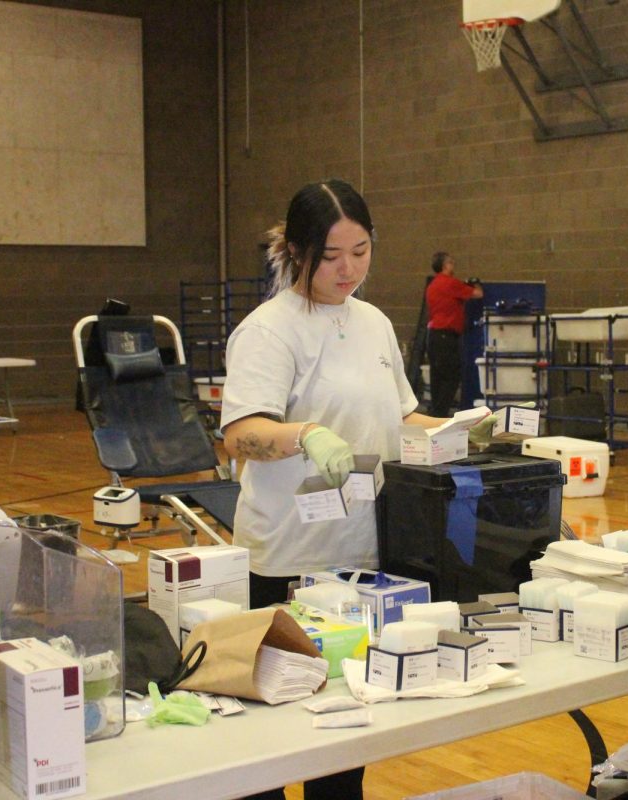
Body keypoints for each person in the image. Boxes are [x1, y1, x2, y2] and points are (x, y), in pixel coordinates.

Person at [219, 180, 463, 800]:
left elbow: (402, 417)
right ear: (299, 253)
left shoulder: (375, 324)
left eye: (361, 249)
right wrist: (305, 436)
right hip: (287, 561)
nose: (349, 268)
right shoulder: (270, 331)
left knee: (344, 741)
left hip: (360, 559)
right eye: (332, 256)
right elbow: (240, 433)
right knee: (275, 743)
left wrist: (472, 429)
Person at [425, 251, 482, 417]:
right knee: (451, 378)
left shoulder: (432, 286)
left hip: (433, 336)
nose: (453, 265)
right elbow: (478, 294)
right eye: (450, 262)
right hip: (446, 337)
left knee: (437, 379)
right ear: (444, 266)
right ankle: (440, 417)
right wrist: (476, 284)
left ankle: (435, 416)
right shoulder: (450, 283)